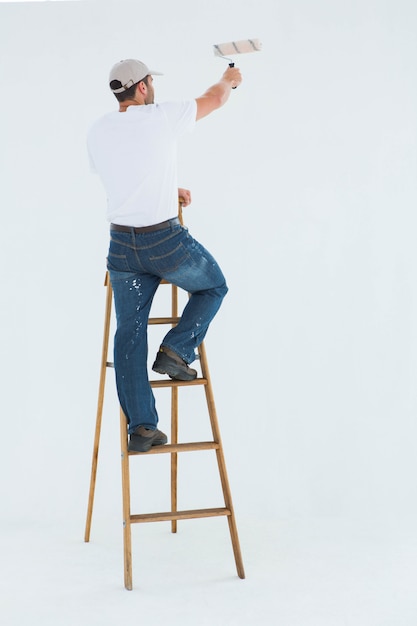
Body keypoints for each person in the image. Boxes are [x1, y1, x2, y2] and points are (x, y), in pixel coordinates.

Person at [87, 58, 242, 452]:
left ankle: (142, 429)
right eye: (150, 82)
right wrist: (228, 79)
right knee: (214, 287)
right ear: (142, 87)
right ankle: (176, 351)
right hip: (164, 243)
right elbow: (214, 99)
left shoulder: (99, 130)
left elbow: (125, 174)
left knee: (129, 336)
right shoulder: (161, 117)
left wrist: (165, 190)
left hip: (122, 247)